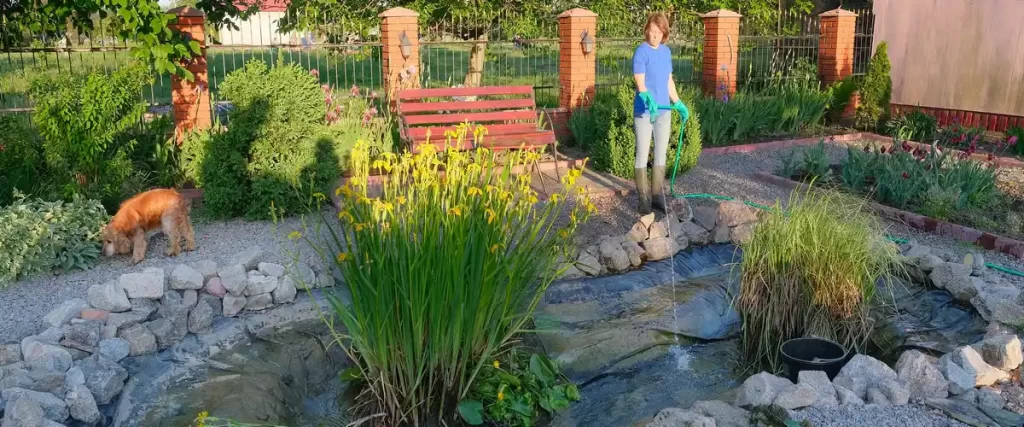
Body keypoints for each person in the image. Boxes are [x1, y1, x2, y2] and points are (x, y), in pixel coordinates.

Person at [632, 13, 685, 214]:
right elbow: (640, 82)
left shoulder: (666, 53)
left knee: (661, 153)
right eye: (651, 31)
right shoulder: (641, 52)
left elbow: (668, 81)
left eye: (658, 32)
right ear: (647, 30)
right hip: (645, 112)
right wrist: (646, 97)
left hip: (664, 111)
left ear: (664, 33)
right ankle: (643, 199)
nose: (654, 36)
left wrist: (678, 102)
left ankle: (656, 195)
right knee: (643, 154)